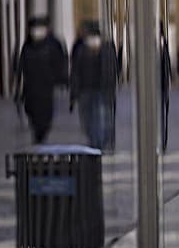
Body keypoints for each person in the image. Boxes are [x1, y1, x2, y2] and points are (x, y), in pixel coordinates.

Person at [15, 16, 69, 143]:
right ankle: (37, 130)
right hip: (31, 85)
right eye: (35, 29)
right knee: (31, 109)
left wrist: (61, 79)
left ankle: (42, 131)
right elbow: (21, 64)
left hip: (46, 84)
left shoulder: (53, 43)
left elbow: (60, 62)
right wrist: (18, 82)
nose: (37, 32)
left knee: (45, 111)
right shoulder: (27, 46)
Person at [69, 20, 120, 151]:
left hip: (101, 90)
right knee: (87, 120)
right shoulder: (80, 50)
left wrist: (111, 88)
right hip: (86, 91)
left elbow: (113, 69)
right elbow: (75, 72)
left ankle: (100, 143)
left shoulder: (107, 49)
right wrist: (74, 93)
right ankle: (94, 141)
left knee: (102, 118)